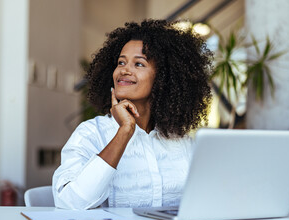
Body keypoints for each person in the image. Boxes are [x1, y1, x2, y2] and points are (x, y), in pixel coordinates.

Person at [52, 19, 212, 209]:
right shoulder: (91, 133)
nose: (124, 70)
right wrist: (124, 132)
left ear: (163, 78)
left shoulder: (182, 142)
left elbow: (204, 201)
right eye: (121, 62)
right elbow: (70, 202)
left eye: (139, 64)